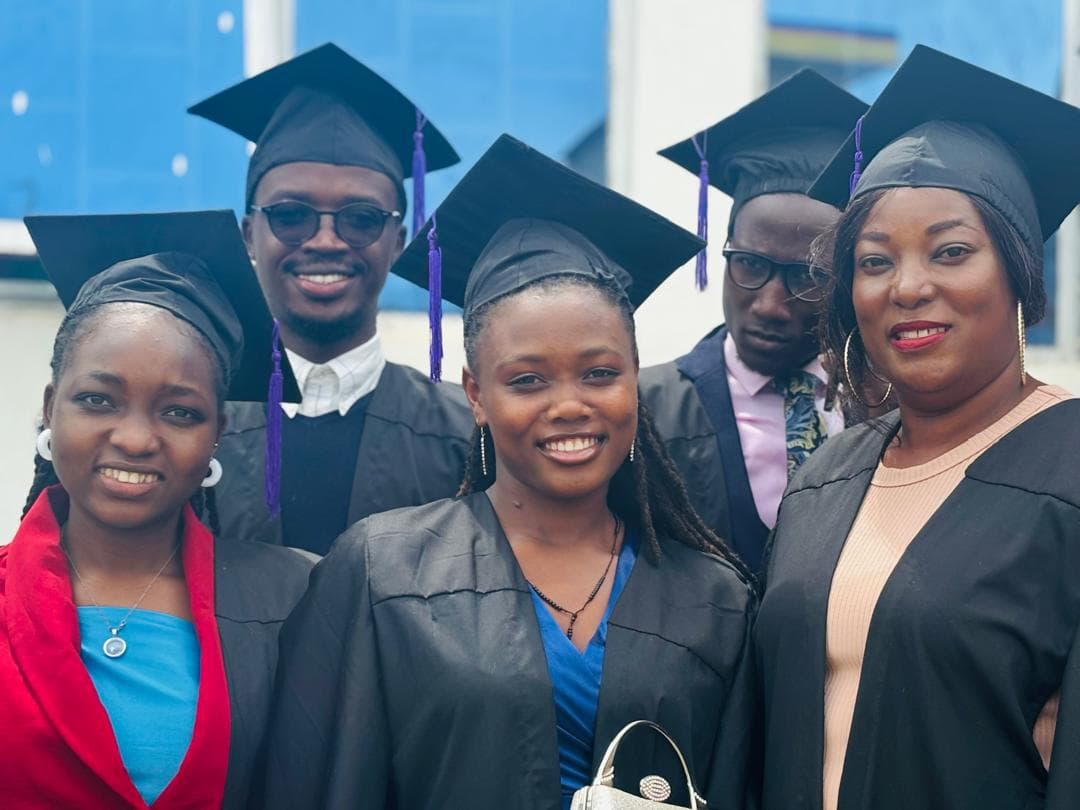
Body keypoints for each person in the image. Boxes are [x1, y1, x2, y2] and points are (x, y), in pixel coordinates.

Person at [259, 135, 760, 810]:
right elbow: (323, 782)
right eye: (527, 380)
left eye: (600, 373)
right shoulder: (382, 570)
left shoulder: (713, 597)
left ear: (636, 379)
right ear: (476, 394)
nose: (569, 405)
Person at [755, 46, 1080, 810]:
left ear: (1019, 273)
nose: (907, 286)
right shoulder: (826, 478)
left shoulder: (1070, 468)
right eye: (875, 262)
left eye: (951, 252)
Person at [3, 211, 315, 809]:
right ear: (50, 408)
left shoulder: (292, 603)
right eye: (98, 400)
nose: (135, 439)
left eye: (179, 412)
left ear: (218, 433)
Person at [188, 43, 473, 554]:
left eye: (361, 219)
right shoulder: (189, 426)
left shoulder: (465, 436)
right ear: (249, 235)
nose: (325, 240)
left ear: (398, 241)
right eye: (290, 215)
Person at [638, 70, 867, 573]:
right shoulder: (646, 409)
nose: (769, 305)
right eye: (749, 264)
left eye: (807, 276)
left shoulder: (886, 405)